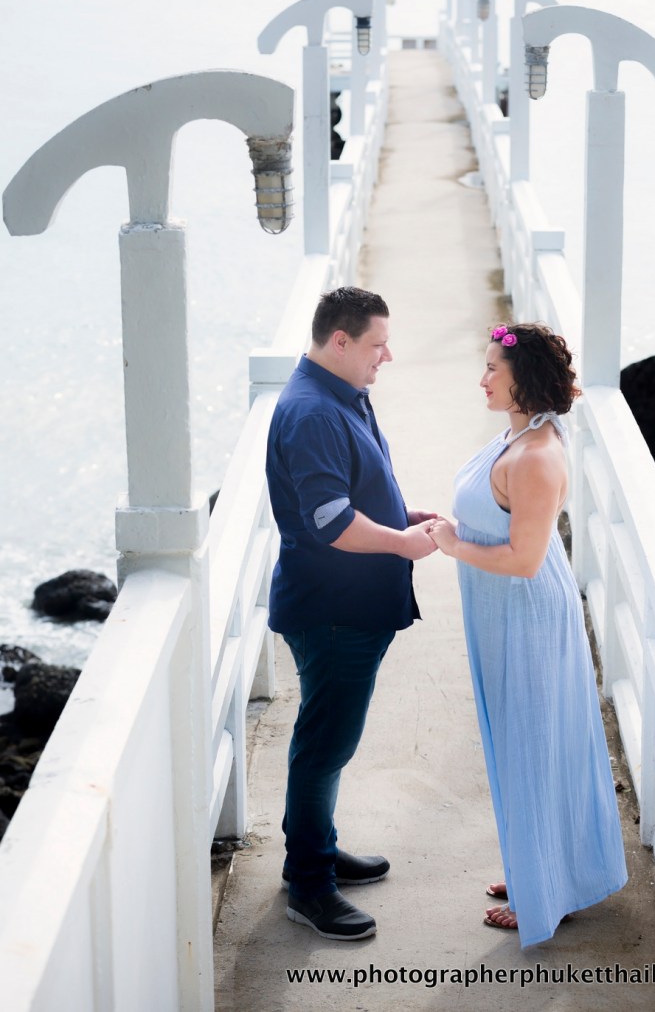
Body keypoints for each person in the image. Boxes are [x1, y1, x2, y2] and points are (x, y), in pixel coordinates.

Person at [428, 322, 627, 947]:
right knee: (519, 745)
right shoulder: (517, 435)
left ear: (524, 381)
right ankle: (534, 868)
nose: (483, 378)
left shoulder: (538, 456)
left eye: (494, 368)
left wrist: (454, 545)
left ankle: (547, 893)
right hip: (499, 616)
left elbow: (524, 560)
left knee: (536, 748)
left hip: (529, 618)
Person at [266, 286, 436, 941]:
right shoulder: (313, 411)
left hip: (347, 605)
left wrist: (401, 516)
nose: (387, 356)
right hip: (333, 612)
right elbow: (329, 520)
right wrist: (400, 542)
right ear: (339, 340)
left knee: (326, 744)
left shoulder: (341, 393)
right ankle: (309, 885)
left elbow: (348, 494)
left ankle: (315, 847)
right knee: (323, 748)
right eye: (375, 344)